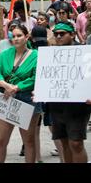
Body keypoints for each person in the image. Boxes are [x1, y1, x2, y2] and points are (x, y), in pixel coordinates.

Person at [0, 23, 42, 163]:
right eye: (13, 36)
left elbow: (36, 77)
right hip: (6, 97)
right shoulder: (5, 54)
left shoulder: (36, 55)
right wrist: (5, 85)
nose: (16, 39)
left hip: (27, 99)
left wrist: (17, 87)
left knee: (29, 141)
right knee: (0, 141)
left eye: (19, 36)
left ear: (27, 37)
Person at [47, 22, 91, 163]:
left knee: (76, 143)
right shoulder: (50, 53)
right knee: (64, 142)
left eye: (62, 34)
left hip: (78, 105)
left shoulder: (84, 52)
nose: (58, 36)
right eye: (56, 34)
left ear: (72, 34)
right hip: (57, 104)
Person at [30, 26, 64, 163]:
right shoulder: (52, 52)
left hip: (35, 94)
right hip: (49, 94)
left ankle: (38, 158)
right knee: (55, 130)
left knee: (35, 131)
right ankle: (63, 158)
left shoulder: (31, 54)